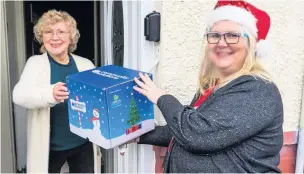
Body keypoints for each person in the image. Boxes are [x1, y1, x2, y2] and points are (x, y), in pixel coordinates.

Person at [133, 0, 283, 173]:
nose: (221, 43)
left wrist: (161, 97)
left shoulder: (257, 90)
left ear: (250, 45)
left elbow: (197, 135)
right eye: (215, 35)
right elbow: (183, 131)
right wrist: (138, 135)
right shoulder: (214, 86)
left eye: (232, 35)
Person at [12, 9, 101, 173]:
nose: (54, 38)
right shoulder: (35, 64)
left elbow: (98, 100)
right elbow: (18, 95)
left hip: (83, 142)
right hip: (49, 147)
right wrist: (49, 94)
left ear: (71, 37)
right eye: (48, 32)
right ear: (42, 36)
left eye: (61, 32)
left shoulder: (85, 64)